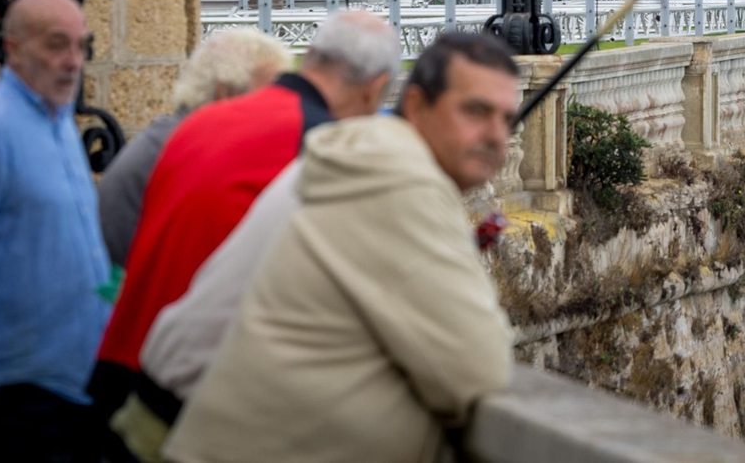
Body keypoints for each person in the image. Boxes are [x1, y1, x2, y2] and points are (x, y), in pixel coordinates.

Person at [162, 32, 520, 463]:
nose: (496, 136)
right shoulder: (398, 180)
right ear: (416, 105)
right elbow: (476, 366)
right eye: (476, 111)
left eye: (507, 119)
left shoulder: (363, 154)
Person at [93, 12, 400, 415]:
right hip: (195, 395)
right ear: (375, 88)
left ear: (310, 56)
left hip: (122, 369)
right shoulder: (322, 145)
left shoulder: (194, 125)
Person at [0, 0, 111, 462]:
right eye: (55, 44)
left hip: (80, 374)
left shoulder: (61, 118)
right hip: (22, 384)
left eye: (80, 45)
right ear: (13, 48)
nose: (72, 61)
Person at [99, 29, 292, 268]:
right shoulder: (185, 150)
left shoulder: (175, 138)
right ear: (226, 92)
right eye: (269, 93)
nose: (278, 106)